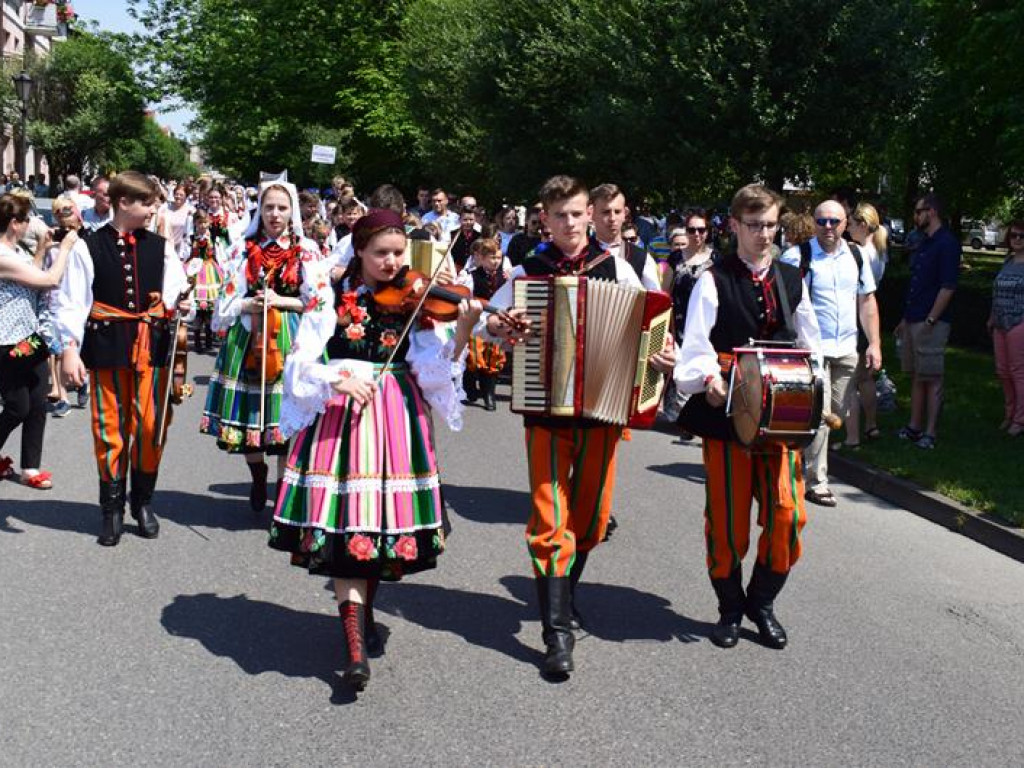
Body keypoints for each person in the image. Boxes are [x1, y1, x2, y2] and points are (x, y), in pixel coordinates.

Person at [269, 208, 480, 691]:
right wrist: (337, 377)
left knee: (380, 526)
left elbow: (434, 370)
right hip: (341, 417)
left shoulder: (417, 303)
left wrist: (464, 329)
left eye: (398, 253)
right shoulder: (328, 296)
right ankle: (353, 646)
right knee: (346, 533)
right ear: (359, 250)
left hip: (396, 419)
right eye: (381, 253)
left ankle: (363, 619)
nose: (392, 263)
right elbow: (300, 362)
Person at [481, 175, 675, 677]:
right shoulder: (528, 270)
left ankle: (564, 596)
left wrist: (661, 355)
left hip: (602, 411)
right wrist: (501, 327)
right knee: (549, 519)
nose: (568, 223)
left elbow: (652, 325)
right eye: (558, 215)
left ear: (591, 213)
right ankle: (557, 632)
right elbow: (490, 323)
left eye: (576, 213)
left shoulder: (622, 269)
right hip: (544, 410)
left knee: (589, 518)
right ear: (543, 218)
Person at [675, 184, 821, 650]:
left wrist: (812, 385)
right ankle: (729, 608)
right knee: (728, 521)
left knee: (787, 514)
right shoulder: (712, 280)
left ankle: (761, 602)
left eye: (771, 225)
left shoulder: (791, 278)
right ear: (734, 226)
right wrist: (708, 381)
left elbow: (809, 345)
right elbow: (694, 348)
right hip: (726, 413)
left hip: (781, 415)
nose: (763, 234)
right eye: (754, 225)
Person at [56, 172, 192, 545]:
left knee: (151, 426)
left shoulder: (160, 247)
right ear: (122, 203)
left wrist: (181, 302)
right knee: (109, 428)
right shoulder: (89, 245)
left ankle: (142, 502)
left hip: (152, 346)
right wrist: (70, 350)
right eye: (146, 203)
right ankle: (111, 509)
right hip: (106, 345)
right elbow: (72, 302)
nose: (152, 210)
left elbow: (176, 292)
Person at [201, 181, 322, 512]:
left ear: (292, 211)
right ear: (260, 210)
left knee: (286, 418)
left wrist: (282, 299)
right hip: (249, 338)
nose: (275, 214)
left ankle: (282, 490)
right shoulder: (243, 247)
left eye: (282, 208)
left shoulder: (306, 248)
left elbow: (319, 300)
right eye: (269, 207)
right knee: (250, 415)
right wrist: (247, 306)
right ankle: (258, 475)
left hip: (291, 339)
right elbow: (224, 302)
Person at [780, 199, 880, 506]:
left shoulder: (857, 255)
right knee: (820, 415)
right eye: (821, 221)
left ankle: (793, 456)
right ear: (814, 222)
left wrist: (874, 343)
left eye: (834, 222)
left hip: (847, 348)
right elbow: (784, 306)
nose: (828, 227)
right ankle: (817, 482)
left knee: (838, 412)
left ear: (845, 223)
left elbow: (867, 302)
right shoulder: (797, 256)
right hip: (812, 350)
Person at [0, 194, 72, 488]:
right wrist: (66, 248)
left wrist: (42, 250)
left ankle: (31, 467)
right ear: (14, 224)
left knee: (39, 399)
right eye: (26, 219)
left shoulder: (13, 249)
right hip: (7, 342)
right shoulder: (2, 255)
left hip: (29, 336)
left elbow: (32, 272)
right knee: (18, 406)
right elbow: (49, 280)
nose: (30, 224)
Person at [895, 193, 960, 450]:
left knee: (932, 377)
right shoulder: (926, 242)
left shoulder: (947, 243)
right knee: (917, 376)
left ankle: (930, 432)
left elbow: (948, 287)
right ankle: (914, 426)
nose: (915, 216)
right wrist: (906, 318)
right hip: (914, 318)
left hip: (932, 322)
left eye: (918, 211)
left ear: (931, 212)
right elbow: (918, 285)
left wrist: (931, 319)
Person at [844, 202, 889, 447]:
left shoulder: (858, 252)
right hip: (868, 317)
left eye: (850, 224)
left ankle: (852, 437)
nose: (847, 228)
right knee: (866, 378)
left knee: (852, 380)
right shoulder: (880, 251)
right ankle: (871, 425)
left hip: (856, 315)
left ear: (862, 225)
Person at [459, 237, 506, 410]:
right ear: (483, 258)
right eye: (492, 258)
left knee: (493, 357)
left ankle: (489, 394)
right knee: (473, 355)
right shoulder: (471, 276)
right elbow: (465, 296)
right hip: (477, 320)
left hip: (495, 322)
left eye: (499, 258)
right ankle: (469, 387)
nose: (496, 261)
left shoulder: (505, 277)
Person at [988, 220, 1024, 436]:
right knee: (1002, 371)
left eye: (1022, 236)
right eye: (1014, 236)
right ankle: (1009, 413)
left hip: (1019, 322)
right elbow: (996, 291)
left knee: (1018, 371)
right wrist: (992, 316)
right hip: (999, 323)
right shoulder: (1007, 260)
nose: (1017, 239)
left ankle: (1020, 419)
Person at [589, 183, 661, 289]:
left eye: (617, 212)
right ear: (591, 214)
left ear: (625, 213)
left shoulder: (642, 258)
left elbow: (656, 301)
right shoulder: (579, 254)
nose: (612, 218)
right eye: (606, 212)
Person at [185, 210, 223, 353]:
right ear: (195, 223)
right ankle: (197, 339)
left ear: (209, 223)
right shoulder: (192, 237)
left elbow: (216, 253)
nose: (202, 225)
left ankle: (208, 337)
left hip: (209, 269)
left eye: (205, 222)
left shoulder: (212, 237)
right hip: (196, 268)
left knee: (209, 307)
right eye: (200, 222)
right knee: (197, 308)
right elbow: (189, 253)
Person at [448, 207, 481, 272]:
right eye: (465, 220)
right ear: (460, 220)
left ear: (475, 220)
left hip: (474, 270)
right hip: (455, 269)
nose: (468, 222)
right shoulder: (452, 235)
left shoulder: (479, 236)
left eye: (471, 220)